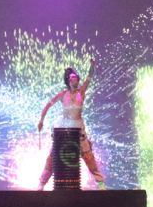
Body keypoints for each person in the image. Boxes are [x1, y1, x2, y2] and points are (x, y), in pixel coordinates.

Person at [37, 58, 105, 190]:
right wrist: (41, 120)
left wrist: (92, 66)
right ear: (69, 80)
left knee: (88, 157)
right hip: (65, 129)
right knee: (53, 157)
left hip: (78, 129)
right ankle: (41, 183)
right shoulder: (63, 94)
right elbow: (47, 105)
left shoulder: (81, 92)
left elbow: (89, 77)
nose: (76, 79)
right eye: (73, 77)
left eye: (76, 77)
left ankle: (101, 183)